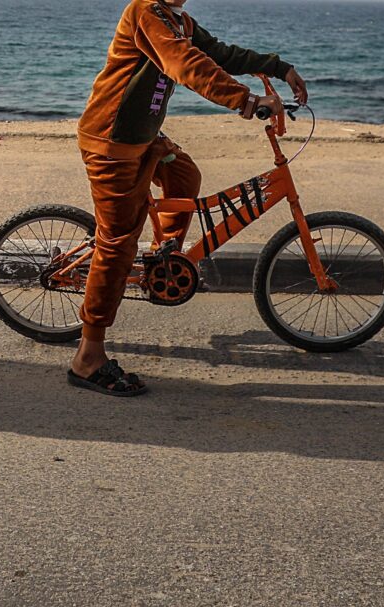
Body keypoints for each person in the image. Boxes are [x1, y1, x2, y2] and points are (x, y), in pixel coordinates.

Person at [71, 0, 306, 396]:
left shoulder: (179, 20)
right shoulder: (145, 11)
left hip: (143, 140)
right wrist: (246, 101)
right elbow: (183, 63)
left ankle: (164, 258)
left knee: (184, 174)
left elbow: (217, 54)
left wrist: (278, 67)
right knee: (117, 244)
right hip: (112, 143)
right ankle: (88, 357)